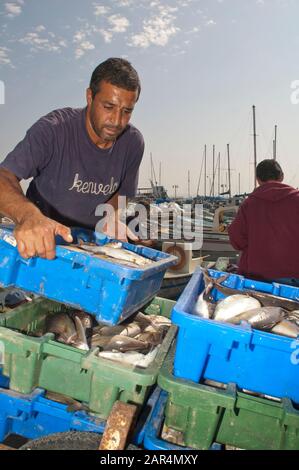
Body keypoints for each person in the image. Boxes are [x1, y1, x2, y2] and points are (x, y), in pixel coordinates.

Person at [0, 58, 144, 260]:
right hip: (40, 242)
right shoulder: (53, 130)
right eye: (108, 106)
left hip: (88, 246)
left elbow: (122, 193)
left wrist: (110, 216)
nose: (117, 120)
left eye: (126, 111)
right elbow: (4, 176)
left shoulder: (133, 143)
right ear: (89, 96)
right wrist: (28, 216)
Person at [228, 159, 299, 285]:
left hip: (258, 279)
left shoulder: (248, 204)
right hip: (294, 278)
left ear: (258, 179)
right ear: (282, 176)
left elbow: (237, 241)